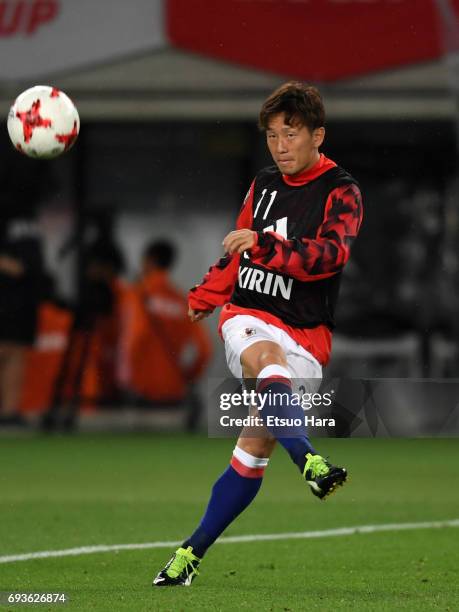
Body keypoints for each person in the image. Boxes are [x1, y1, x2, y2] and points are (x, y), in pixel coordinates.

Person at [153, 82, 363, 586]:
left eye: (290, 134)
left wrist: (264, 245)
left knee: (251, 452)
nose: (279, 145)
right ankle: (309, 458)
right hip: (249, 315)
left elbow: (329, 256)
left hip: (309, 336)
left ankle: (189, 555)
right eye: (271, 135)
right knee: (266, 355)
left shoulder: (343, 191)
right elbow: (237, 248)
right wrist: (209, 292)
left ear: (318, 135)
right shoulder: (263, 184)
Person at [126, 239, 212, 415]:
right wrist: (188, 376)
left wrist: (132, 379)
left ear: (149, 260)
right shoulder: (182, 300)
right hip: (174, 389)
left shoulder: (137, 294)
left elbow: (136, 337)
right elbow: (204, 349)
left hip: (143, 390)